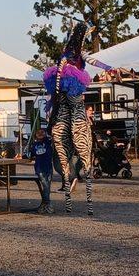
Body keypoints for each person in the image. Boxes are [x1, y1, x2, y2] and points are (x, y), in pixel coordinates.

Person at [43, 22, 119, 214]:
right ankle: (85, 197)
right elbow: (93, 63)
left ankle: (69, 190)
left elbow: (60, 70)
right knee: (75, 109)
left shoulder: (66, 53)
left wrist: (57, 88)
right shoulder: (79, 54)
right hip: (73, 94)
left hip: (62, 95)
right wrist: (109, 68)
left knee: (58, 117)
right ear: (83, 36)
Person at [29, 129, 54, 214]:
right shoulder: (35, 145)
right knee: (45, 186)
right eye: (38, 133)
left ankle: (44, 205)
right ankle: (47, 204)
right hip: (40, 168)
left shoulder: (48, 143)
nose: (40, 134)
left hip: (48, 168)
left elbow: (51, 137)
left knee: (47, 187)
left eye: (42, 133)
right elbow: (31, 154)